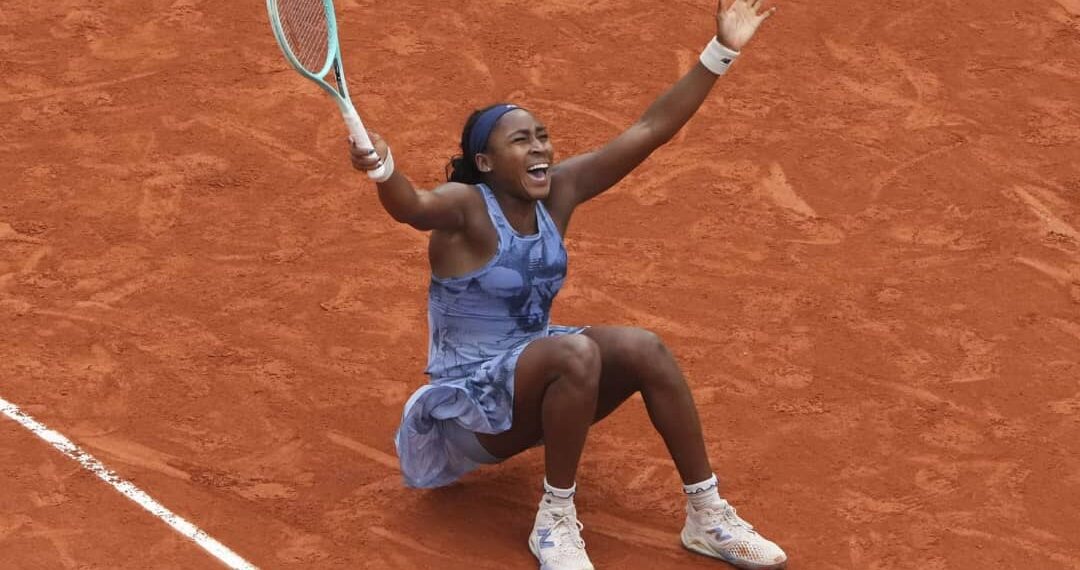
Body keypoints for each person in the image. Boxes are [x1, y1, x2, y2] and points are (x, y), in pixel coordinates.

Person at [349, 1, 786, 568]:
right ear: (483, 162)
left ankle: (706, 514)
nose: (540, 149)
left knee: (645, 349)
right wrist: (383, 169)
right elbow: (412, 206)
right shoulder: (465, 208)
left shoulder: (560, 190)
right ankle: (554, 520)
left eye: (542, 136)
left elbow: (650, 130)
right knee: (576, 353)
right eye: (521, 142)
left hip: (538, 378)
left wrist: (721, 51)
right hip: (471, 412)